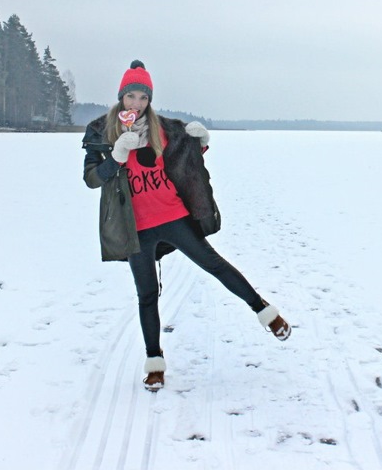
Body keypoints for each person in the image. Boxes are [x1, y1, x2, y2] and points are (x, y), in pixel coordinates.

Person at [81, 60, 291, 391]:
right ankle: (155, 363)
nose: (136, 104)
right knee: (147, 294)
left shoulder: (164, 128)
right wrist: (115, 157)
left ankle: (265, 312)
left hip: (174, 217)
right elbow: (92, 179)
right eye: (131, 96)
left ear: (150, 101)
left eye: (143, 98)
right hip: (136, 228)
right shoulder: (100, 132)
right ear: (121, 97)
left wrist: (200, 144)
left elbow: (185, 162)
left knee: (214, 265)